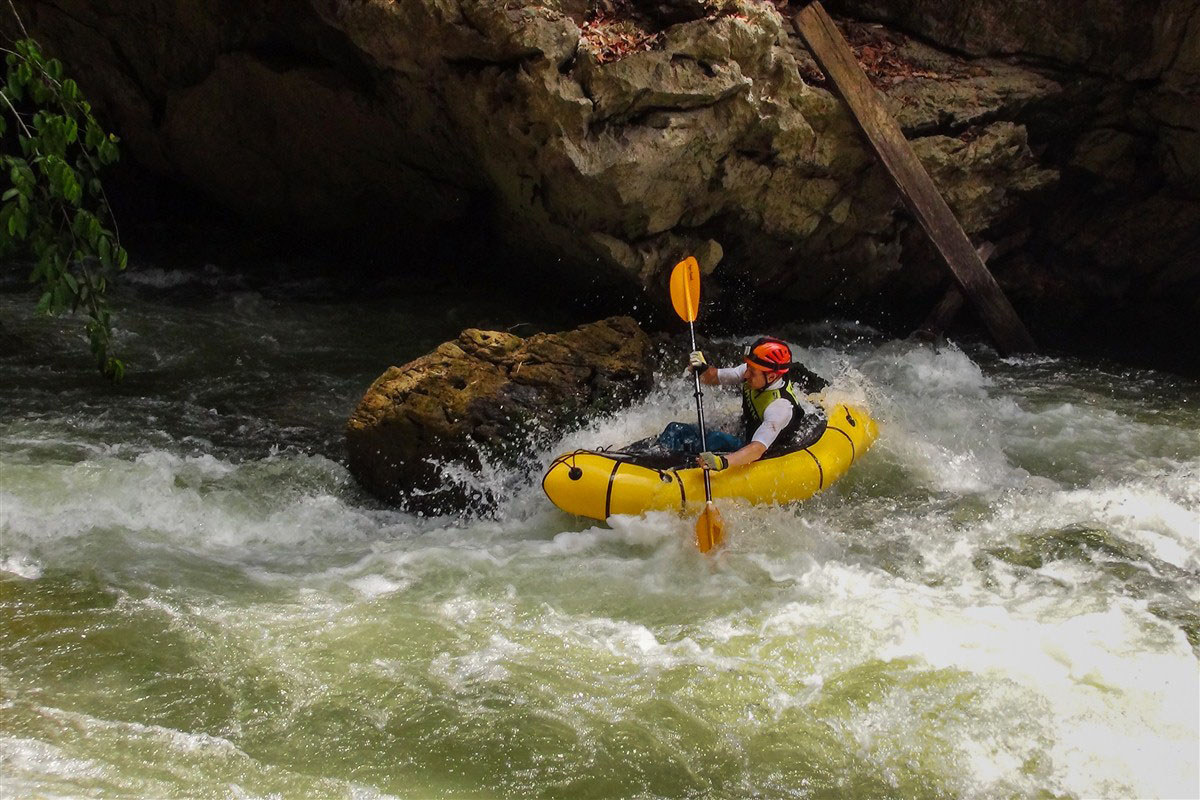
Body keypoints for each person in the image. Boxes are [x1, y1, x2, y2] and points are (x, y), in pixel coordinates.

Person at [657, 336, 829, 471]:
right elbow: (712, 377)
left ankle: (667, 468)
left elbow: (757, 449)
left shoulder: (780, 407)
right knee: (675, 429)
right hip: (747, 433)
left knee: (715, 438)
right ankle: (656, 458)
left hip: (766, 451)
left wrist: (722, 462)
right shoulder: (756, 373)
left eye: (751, 372)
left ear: (771, 376)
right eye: (747, 368)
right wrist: (701, 368)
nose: (745, 375)